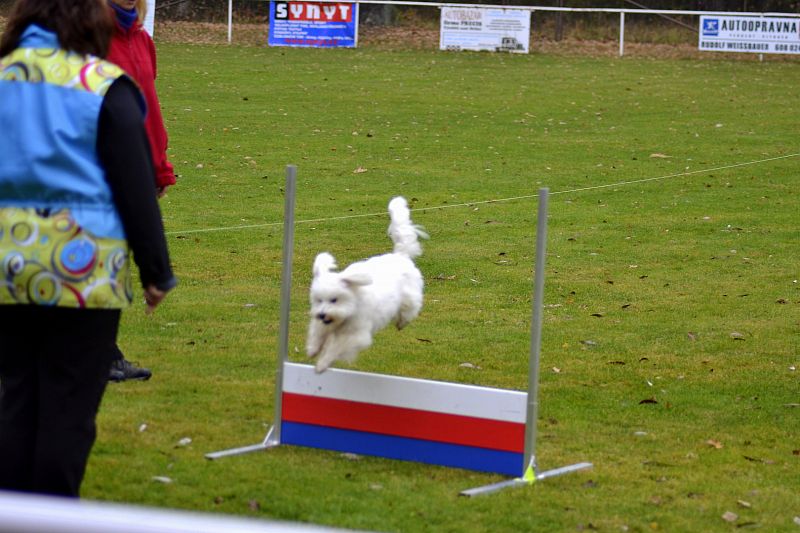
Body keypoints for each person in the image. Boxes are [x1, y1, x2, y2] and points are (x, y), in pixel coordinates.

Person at [0, 0, 176, 497]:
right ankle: (54, 513)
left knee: (17, 398)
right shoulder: (101, 85)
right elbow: (135, 184)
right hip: (81, 273)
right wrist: (156, 271)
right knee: (68, 407)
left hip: (7, 270)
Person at [105, 0, 177, 382]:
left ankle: (105, 352)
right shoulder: (90, 37)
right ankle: (102, 353)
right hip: (102, 168)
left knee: (118, 255)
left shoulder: (142, 40)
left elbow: (149, 107)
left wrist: (159, 167)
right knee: (102, 257)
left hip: (138, 166)